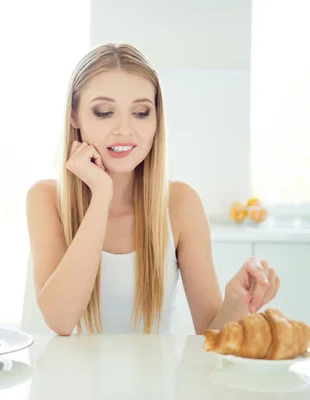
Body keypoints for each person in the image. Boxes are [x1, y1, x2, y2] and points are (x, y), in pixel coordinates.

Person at [25, 43, 280, 336]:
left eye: (141, 113)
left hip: (155, 383)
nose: (124, 129)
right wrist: (100, 197)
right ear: (74, 116)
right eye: (105, 112)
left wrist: (236, 302)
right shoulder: (45, 199)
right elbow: (60, 319)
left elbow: (211, 340)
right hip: (66, 383)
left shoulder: (181, 203)